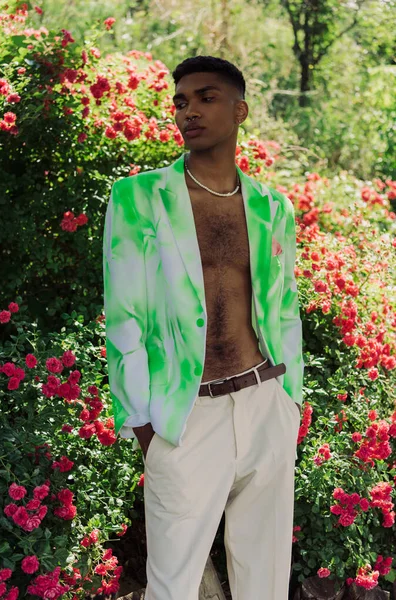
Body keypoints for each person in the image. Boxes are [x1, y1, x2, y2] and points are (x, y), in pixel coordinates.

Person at [103, 55, 304, 600]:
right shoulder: (138, 199)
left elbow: (283, 308)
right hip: (185, 413)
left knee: (264, 579)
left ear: (240, 110)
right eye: (181, 101)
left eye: (206, 97)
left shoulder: (271, 206)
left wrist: (291, 399)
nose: (189, 110)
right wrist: (144, 424)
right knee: (172, 584)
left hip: (265, 402)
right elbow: (125, 317)